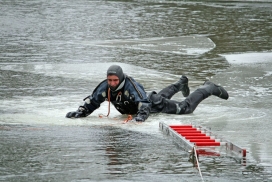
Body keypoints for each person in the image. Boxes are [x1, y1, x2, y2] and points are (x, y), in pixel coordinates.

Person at [66, 65, 229, 122]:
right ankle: (180, 84)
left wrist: (141, 118)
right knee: (160, 96)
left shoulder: (131, 86)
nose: (112, 83)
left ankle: (207, 88)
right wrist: (81, 112)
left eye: (115, 80)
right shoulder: (105, 87)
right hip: (149, 98)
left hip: (152, 104)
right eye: (110, 80)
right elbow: (93, 101)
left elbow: (144, 104)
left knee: (185, 108)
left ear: (121, 78)